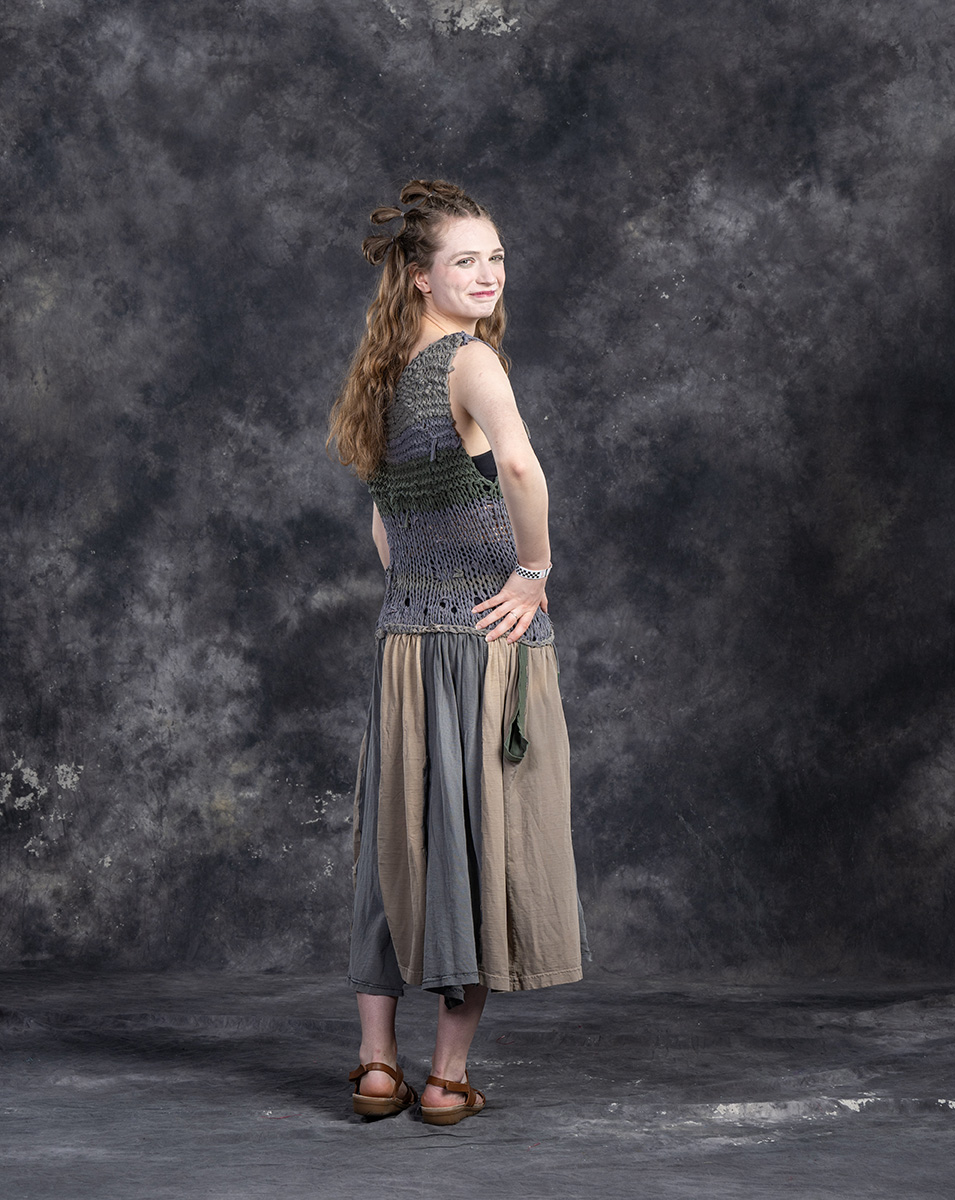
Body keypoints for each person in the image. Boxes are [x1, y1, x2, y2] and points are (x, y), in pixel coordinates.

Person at [328, 179, 585, 1126]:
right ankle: (443, 1079)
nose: (488, 275)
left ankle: (376, 1068)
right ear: (420, 276)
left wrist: (417, 591)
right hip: (482, 644)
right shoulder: (470, 362)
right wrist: (533, 571)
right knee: (473, 848)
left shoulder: (382, 373)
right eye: (465, 260)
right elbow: (517, 465)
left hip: (405, 644)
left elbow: (384, 526)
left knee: (395, 845)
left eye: (497, 257)